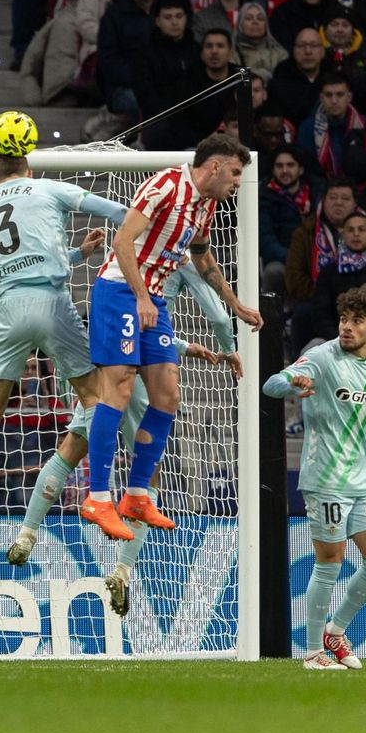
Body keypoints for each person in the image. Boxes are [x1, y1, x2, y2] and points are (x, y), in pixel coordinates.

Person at [82, 134, 262, 539]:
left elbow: (201, 256)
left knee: (167, 395)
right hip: (120, 292)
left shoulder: (207, 204)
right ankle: (96, 498)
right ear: (213, 166)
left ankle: (137, 494)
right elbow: (122, 241)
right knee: (119, 390)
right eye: (234, 173)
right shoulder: (163, 186)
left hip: (153, 299)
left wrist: (235, 304)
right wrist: (142, 297)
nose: (237, 182)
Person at [0, 145, 131, 539]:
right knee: (95, 401)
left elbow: (25, 255)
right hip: (51, 303)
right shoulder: (49, 188)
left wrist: (78, 253)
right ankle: (96, 493)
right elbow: (117, 213)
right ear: (29, 169)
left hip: (6, 307)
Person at [264, 288, 366, 670]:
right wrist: (292, 385)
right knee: (330, 562)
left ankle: (336, 631)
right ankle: (312, 652)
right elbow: (272, 383)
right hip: (325, 477)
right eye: (345, 319)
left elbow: (364, 423)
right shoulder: (322, 357)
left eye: (357, 321)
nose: (347, 326)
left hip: (362, 478)